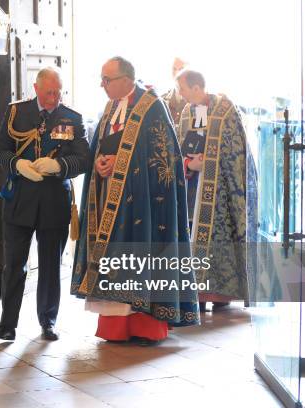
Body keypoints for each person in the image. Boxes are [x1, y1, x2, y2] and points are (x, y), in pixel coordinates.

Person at [71, 57, 200, 345]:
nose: (102, 85)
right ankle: (116, 328)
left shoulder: (152, 107)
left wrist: (123, 163)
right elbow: (101, 146)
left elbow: (164, 159)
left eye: (107, 80)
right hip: (111, 198)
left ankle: (145, 326)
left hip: (144, 203)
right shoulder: (110, 108)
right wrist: (101, 165)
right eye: (102, 80)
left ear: (126, 79)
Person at [0, 67, 91, 341]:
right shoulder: (16, 113)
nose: (54, 97)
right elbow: (1, 150)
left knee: (50, 267)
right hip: (19, 199)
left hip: (53, 201)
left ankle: (48, 321)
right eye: (49, 92)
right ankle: (7, 324)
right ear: (36, 88)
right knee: (14, 266)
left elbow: (83, 159)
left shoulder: (72, 118)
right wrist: (17, 164)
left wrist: (59, 165)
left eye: (58, 92)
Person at [175, 69, 257, 311]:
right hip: (194, 191)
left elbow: (235, 153)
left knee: (218, 242)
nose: (179, 93)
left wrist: (209, 162)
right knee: (195, 239)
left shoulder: (226, 110)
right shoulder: (192, 110)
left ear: (197, 88)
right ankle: (197, 292)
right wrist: (190, 163)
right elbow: (187, 144)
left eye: (182, 88)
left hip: (222, 193)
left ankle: (220, 294)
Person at [162, 57, 189, 130]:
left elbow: (201, 132)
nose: (177, 73)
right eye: (174, 69)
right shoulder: (161, 100)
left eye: (181, 69)